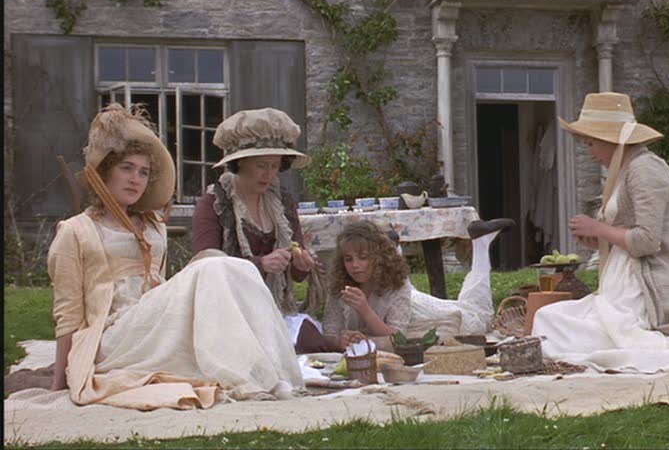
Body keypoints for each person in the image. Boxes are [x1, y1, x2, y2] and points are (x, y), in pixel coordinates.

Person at [47, 104, 303, 410]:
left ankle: (269, 374)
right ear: (105, 173)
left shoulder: (154, 227)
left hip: (153, 329)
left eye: (143, 172)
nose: (135, 179)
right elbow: (68, 314)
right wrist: (61, 382)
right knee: (212, 264)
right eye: (126, 168)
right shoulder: (75, 231)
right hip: (112, 338)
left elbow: (160, 288)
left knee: (236, 269)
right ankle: (248, 376)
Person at [531, 92, 669, 373]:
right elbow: (623, 235)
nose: (591, 152)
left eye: (592, 143)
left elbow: (646, 241)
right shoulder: (625, 170)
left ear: (610, 139)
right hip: (621, 284)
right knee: (547, 319)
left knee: (560, 325)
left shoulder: (646, 169)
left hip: (642, 289)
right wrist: (597, 239)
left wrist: (599, 228)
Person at [192, 108, 332, 353]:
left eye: (275, 166)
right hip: (230, 310)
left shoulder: (282, 203)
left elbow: (295, 276)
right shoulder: (215, 203)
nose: (269, 174)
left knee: (308, 339)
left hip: (274, 307)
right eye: (261, 165)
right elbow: (205, 269)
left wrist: (301, 265)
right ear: (240, 163)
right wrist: (259, 264)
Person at [322, 218, 514, 349]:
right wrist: (340, 341)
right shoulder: (341, 285)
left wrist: (365, 310)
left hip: (420, 316)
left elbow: (397, 338)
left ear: (377, 257)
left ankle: (481, 243)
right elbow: (329, 333)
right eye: (348, 259)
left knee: (477, 317)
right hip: (401, 301)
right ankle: (394, 246)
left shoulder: (397, 286)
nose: (354, 266)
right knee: (471, 310)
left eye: (362, 257)